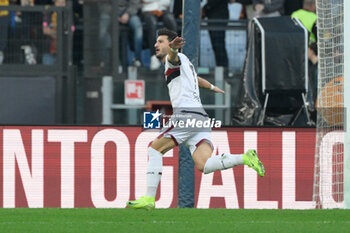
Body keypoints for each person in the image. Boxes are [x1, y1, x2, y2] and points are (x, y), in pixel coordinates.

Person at [126, 28, 265, 210]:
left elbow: (173, 57)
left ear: (171, 43)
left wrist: (174, 49)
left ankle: (149, 199)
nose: (156, 45)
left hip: (186, 114)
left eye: (160, 41)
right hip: (200, 118)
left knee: (154, 150)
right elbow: (196, 79)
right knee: (205, 164)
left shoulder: (172, 60)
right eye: (156, 41)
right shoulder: (186, 63)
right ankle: (245, 157)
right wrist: (213, 87)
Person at [141, 0, 177, 70]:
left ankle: (172, 56)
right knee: (152, 24)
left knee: (171, 21)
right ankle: (154, 56)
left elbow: (167, 2)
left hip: (162, 10)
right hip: (148, 11)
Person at [202, 0, 229, 68]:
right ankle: (220, 68)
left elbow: (212, 3)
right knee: (217, 45)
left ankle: (222, 68)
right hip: (214, 17)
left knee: (218, 45)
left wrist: (204, 9)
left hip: (218, 18)